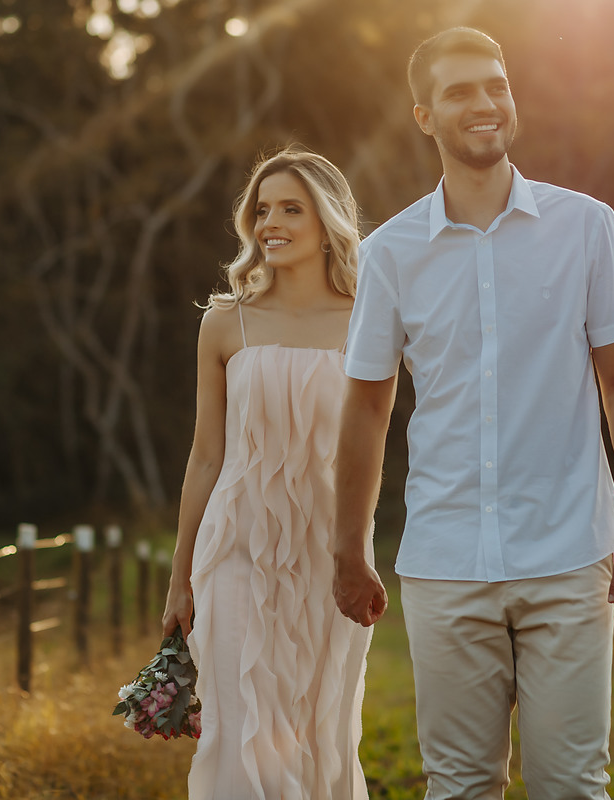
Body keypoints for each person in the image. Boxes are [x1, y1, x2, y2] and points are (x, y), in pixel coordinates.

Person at [332, 27, 614, 800]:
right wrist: (349, 548)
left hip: (570, 554)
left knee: (571, 784)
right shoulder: (390, 252)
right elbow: (366, 407)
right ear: (424, 116)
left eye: (496, 85)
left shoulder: (587, 226)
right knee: (458, 786)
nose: (485, 103)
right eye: (459, 91)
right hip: (445, 563)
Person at [162, 146, 373, 800]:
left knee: (318, 733)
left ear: (328, 221)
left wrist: (355, 551)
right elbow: (205, 456)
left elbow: (377, 445)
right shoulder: (226, 322)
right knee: (237, 731)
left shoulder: (368, 322)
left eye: (291, 208)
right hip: (234, 551)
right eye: (261, 209)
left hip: (328, 558)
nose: (270, 223)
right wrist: (179, 577)